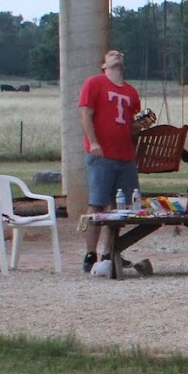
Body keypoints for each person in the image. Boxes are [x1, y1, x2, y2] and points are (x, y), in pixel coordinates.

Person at [78, 49, 143, 274]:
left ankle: (110, 251)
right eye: (112, 54)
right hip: (102, 154)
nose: (117, 54)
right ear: (103, 64)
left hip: (125, 154)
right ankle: (90, 253)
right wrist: (93, 142)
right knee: (97, 202)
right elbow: (85, 114)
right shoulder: (94, 83)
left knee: (120, 206)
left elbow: (131, 125)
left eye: (120, 54)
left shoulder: (131, 92)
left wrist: (140, 126)